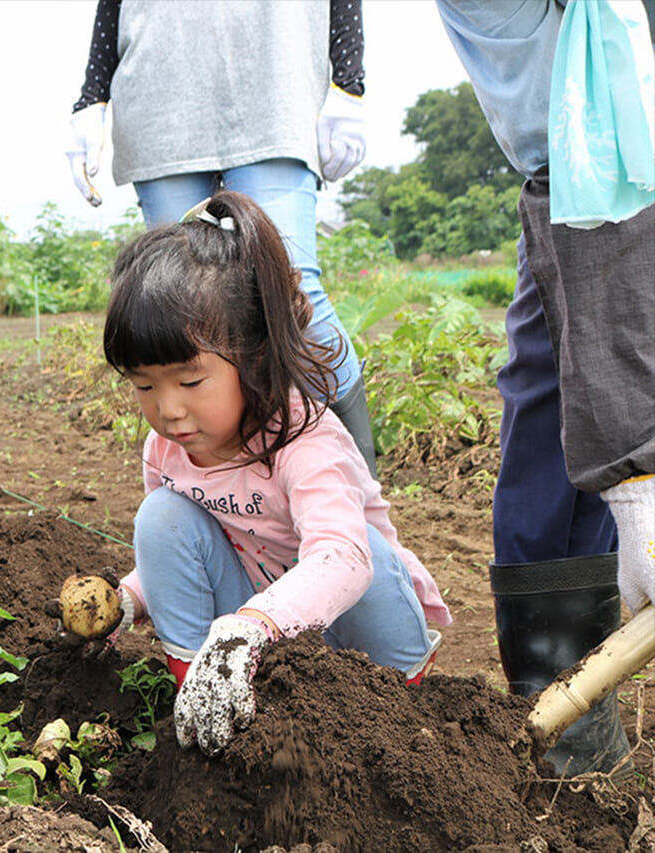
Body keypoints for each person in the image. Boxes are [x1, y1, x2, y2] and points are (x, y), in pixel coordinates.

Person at [97, 191, 451, 756]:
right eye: (144, 385)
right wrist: (126, 602)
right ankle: (201, 704)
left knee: (361, 551)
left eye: (190, 383)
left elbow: (344, 562)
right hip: (250, 638)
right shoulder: (166, 451)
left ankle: (399, 720)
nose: (168, 409)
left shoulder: (304, 437)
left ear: (255, 357)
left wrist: (251, 627)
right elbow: (178, 557)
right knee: (161, 518)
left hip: (357, 635)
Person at [436, 0, 655, 776]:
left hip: (615, 153)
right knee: (547, 391)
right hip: (576, 164)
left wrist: (639, 479)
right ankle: (568, 725)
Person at [64, 0, 380, 475]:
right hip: (159, 96)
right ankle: (227, 503)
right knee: (180, 307)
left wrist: (348, 82)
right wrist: (91, 97)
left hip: (275, 80)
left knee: (293, 288)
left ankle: (357, 488)